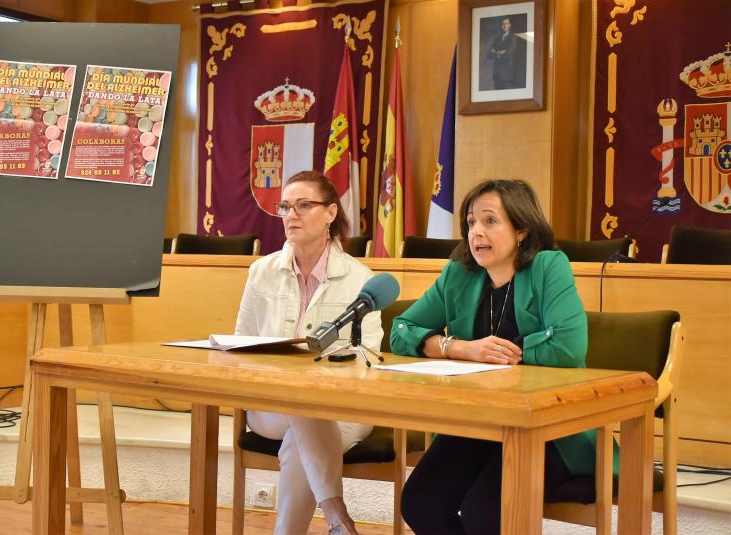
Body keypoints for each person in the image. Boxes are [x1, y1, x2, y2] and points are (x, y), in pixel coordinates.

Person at [392, 179, 598, 534]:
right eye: (471, 222)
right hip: (480, 421)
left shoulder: (549, 266)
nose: (477, 233)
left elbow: (568, 346)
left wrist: (499, 353)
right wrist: (460, 348)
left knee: (485, 512)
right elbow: (400, 330)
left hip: (548, 430)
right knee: (420, 501)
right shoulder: (458, 274)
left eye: (490, 221)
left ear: (521, 229)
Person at [235, 170, 383, 535]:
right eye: (286, 206)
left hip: (343, 408)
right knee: (301, 404)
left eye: (303, 205)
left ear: (331, 213)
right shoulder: (261, 271)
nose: (291, 215)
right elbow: (240, 342)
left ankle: (333, 523)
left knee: (301, 431)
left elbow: (372, 356)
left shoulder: (360, 278)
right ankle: (337, 516)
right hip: (270, 404)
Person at [487, 17, 520, 89]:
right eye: (503, 24)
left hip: (507, 74)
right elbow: (489, 54)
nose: (504, 26)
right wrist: (500, 52)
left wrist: (496, 52)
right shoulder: (497, 38)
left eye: (506, 24)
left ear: (510, 25)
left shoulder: (513, 37)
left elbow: (509, 52)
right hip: (497, 74)